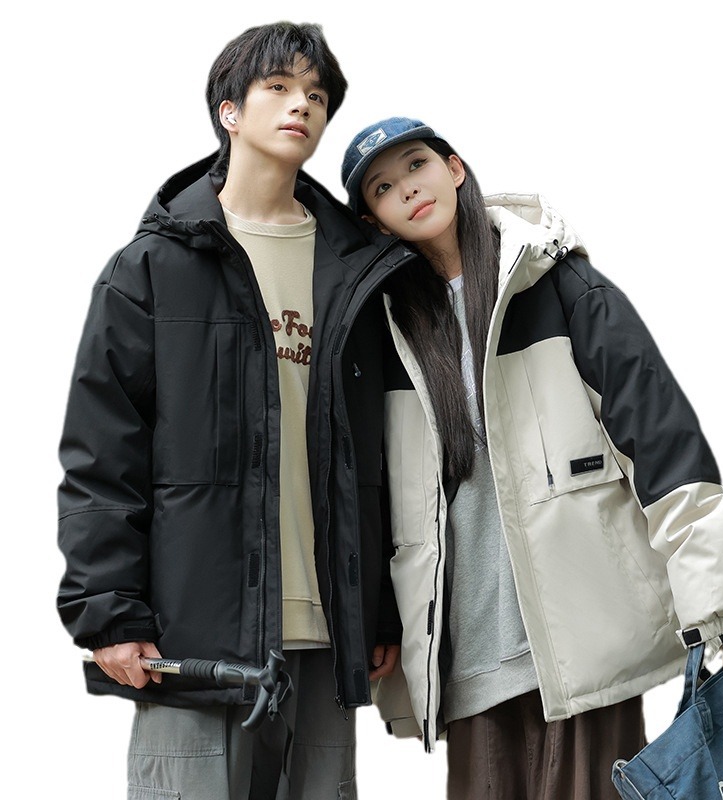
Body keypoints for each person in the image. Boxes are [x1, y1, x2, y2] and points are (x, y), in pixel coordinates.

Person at [339, 117, 723, 799]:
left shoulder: (556, 284)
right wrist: (380, 623)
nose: (407, 189)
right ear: (374, 221)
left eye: (416, 166)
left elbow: (659, 437)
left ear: (455, 168)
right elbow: (379, 500)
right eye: (383, 188)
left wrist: (711, 598)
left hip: (580, 645)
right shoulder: (386, 333)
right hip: (471, 659)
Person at [56, 23, 406, 800]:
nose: (301, 105)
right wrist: (110, 612)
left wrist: (379, 611)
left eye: (316, 95)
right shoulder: (151, 269)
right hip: (195, 639)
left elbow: (376, 456)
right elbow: (101, 453)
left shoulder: (355, 269)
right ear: (230, 111)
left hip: (326, 634)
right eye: (278, 87)